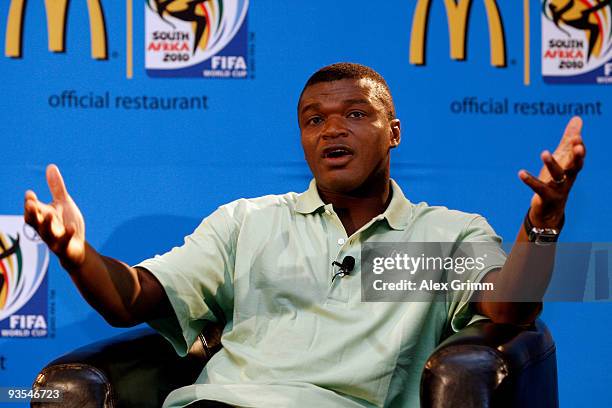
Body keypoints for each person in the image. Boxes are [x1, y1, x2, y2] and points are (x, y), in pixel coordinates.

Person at [23, 63, 585, 407]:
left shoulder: (447, 233)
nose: (332, 128)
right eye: (314, 119)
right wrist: (77, 256)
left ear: (394, 133)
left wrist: (544, 221)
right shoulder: (248, 221)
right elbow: (135, 297)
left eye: (355, 114)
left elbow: (510, 307)